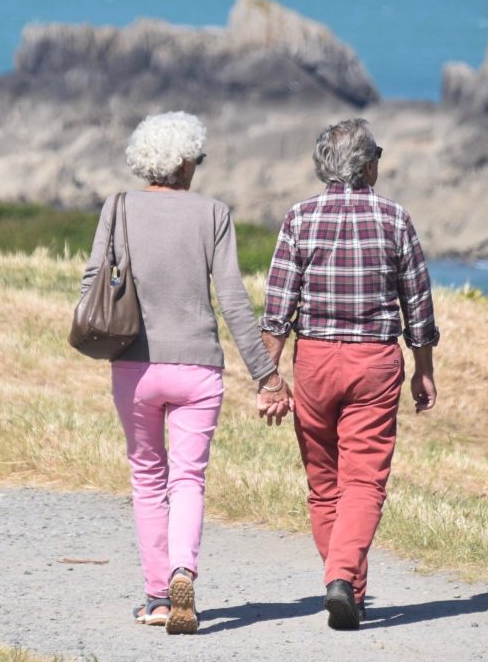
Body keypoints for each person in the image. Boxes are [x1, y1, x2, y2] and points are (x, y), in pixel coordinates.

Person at [81, 111, 289, 635]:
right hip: (198, 369)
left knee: (148, 478)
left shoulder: (118, 207)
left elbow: (92, 281)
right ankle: (182, 572)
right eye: (197, 158)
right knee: (188, 478)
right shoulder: (214, 213)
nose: (198, 166)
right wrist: (266, 374)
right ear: (183, 162)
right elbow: (235, 302)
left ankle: (156, 597)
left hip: (134, 367)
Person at [258, 117, 440, 631]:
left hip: (314, 361)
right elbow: (418, 308)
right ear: (367, 166)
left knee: (324, 485)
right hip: (373, 363)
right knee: (364, 480)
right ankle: (344, 580)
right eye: (377, 153)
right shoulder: (395, 219)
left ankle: (347, 588)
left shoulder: (298, 218)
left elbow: (277, 310)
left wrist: (268, 378)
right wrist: (423, 371)